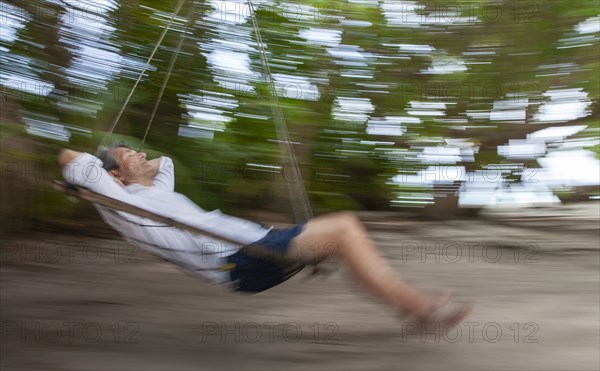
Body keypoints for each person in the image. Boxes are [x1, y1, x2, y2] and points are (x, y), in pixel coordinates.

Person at [58, 142, 472, 325]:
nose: (141, 155)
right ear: (111, 174)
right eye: (130, 155)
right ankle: (419, 305)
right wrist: (109, 169)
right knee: (346, 226)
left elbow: (162, 161)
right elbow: (69, 156)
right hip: (241, 257)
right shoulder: (119, 201)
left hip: (254, 244)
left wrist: (134, 163)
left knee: (344, 242)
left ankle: (408, 306)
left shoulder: (150, 191)